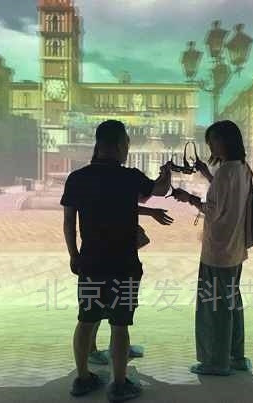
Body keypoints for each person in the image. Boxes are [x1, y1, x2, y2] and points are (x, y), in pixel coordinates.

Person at [61, 120, 172, 401]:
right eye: (127, 143)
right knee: (120, 325)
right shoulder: (130, 177)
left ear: (98, 144)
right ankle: (119, 384)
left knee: (86, 320)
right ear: (122, 145)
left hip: (91, 263)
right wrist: (167, 173)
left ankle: (82, 378)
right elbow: (159, 190)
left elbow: (69, 222)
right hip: (124, 265)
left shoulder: (77, 178)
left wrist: (74, 255)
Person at [171, 120, 253, 376]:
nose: (210, 146)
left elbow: (214, 210)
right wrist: (207, 174)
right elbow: (228, 195)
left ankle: (216, 363)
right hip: (235, 248)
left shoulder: (226, 172)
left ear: (224, 141)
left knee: (214, 309)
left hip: (218, 251)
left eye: (212, 141)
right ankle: (236, 356)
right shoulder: (242, 168)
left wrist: (189, 198)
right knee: (232, 304)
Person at [87, 204, 173, 366]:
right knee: (98, 307)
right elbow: (122, 205)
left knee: (121, 307)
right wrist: (151, 212)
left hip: (122, 253)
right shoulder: (105, 193)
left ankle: (120, 345)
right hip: (105, 251)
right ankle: (91, 350)